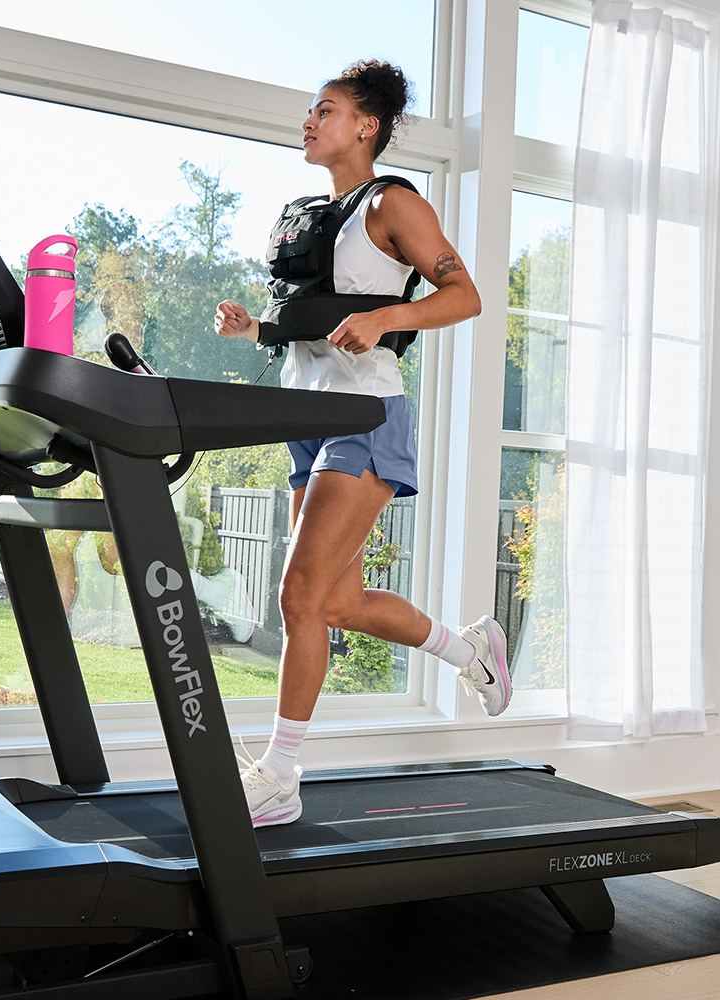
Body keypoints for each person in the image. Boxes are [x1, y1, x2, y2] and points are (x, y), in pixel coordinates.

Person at [212, 60, 509, 828]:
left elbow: (464, 295)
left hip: (365, 416)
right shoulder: (319, 214)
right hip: (305, 421)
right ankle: (467, 650)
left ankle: (279, 775)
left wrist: (387, 320)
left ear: (366, 125)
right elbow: (321, 315)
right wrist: (257, 329)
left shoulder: (394, 203)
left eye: (327, 110)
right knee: (335, 601)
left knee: (298, 596)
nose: (310, 121)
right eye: (311, 111)